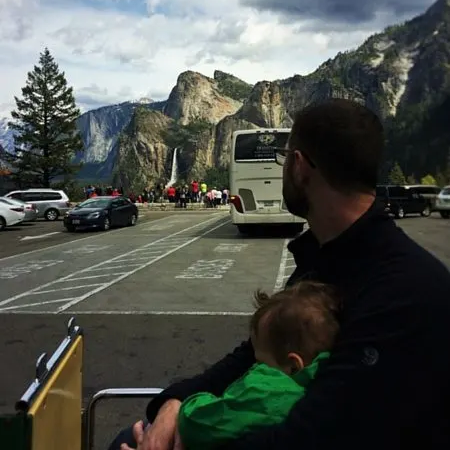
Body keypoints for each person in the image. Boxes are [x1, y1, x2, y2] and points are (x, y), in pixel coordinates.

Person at [110, 99, 450, 450]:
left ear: (300, 167)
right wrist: (173, 403)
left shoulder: (404, 290)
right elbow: (256, 354)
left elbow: (314, 436)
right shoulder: (328, 256)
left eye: (284, 158)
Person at [177, 281, 340, 449]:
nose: (254, 368)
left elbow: (197, 422)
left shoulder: (263, 392)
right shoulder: (331, 386)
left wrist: (195, 401)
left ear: (293, 365)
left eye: (260, 362)